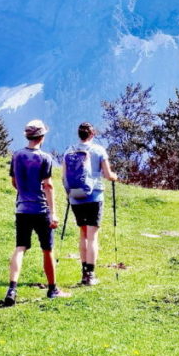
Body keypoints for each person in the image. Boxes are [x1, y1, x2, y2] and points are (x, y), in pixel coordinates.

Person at [4, 119, 69, 303]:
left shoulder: (17, 155)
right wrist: (53, 212)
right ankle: (52, 289)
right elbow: (48, 185)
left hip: (22, 208)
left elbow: (14, 182)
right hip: (40, 209)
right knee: (47, 249)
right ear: (42, 137)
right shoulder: (45, 158)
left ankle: (12, 290)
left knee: (20, 247)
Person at [62, 122, 117, 285]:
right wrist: (114, 176)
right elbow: (108, 175)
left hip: (75, 197)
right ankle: (90, 276)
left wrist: (69, 193)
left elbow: (63, 175)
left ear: (79, 135)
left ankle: (83, 273)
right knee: (92, 236)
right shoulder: (99, 150)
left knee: (83, 234)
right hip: (94, 196)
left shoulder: (70, 150)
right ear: (92, 134)